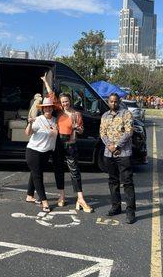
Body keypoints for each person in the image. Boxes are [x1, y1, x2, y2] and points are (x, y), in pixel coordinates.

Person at [41, 74, 93, 213]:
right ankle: (61, 196)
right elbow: (51, 95)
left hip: (71, 144)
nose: (65, 103)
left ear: (70, 101)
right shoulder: (58, 111)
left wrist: (79, 129)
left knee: (75, 171)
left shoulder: (77, 115)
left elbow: (81, 131)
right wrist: (46, 82)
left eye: (67, 101)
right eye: (63, 102)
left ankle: (80, 198)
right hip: (58, 144)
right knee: (58, 169)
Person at [99, 93, 136, 224]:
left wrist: (117, 145)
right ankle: (116, 206)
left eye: (115, 101)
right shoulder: (105, 116)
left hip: (124, 153)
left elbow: (129, 131)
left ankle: (130, 211)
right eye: (111, 101)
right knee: (112, 181)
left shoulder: (126, 114)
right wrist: (109, 145)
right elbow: (102, 132)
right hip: (109, 154)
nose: (113, 104)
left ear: (119, 101)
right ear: (108, 102)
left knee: (127, 182)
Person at [24, 97, 59, 212]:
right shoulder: (38, 120)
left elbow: (55, 133)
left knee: (35, 173)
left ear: (52, 108)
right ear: (43, 109)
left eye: (49, 107)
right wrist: (29, 123)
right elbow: (27, 133)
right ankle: (44, 202)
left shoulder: (55, 120)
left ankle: (29, 195)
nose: (48, 109)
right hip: (33, 151)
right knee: (38, 175)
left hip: (46, 152)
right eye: (45, 107)